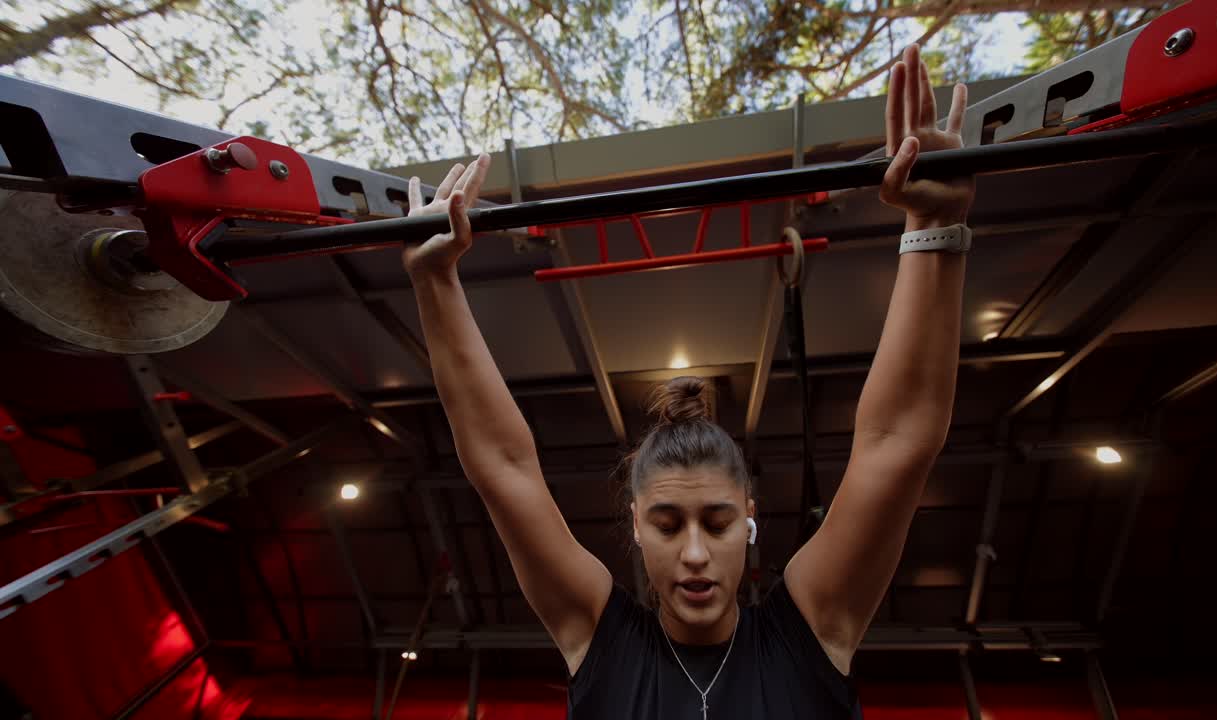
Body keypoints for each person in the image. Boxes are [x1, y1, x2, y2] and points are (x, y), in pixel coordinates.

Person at [402, 43, 972, 720]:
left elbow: (898, 440)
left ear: (750, 518)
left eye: (719, 521)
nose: (696, 554)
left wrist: (935, 226)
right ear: (636, 527)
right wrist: (434, 284)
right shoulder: (599, 637)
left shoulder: (813, 626)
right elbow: (504, 467)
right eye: (669, 525)